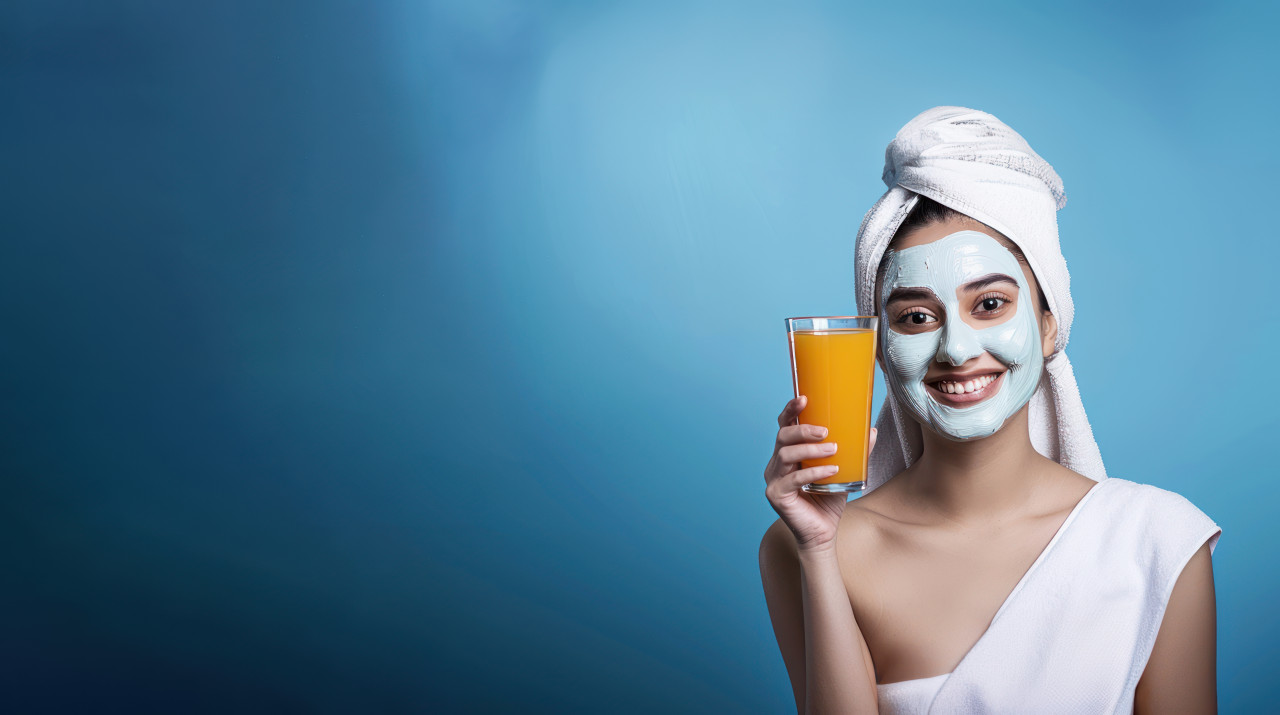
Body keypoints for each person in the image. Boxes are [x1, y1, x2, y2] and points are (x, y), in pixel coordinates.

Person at [758, 107, 1221, 714]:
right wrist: (819, 551)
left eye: (991, 304)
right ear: (880, 344)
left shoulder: (1158, 542)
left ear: (1050, 325)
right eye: (915, 317)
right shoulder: (803, 547)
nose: (955, 348)